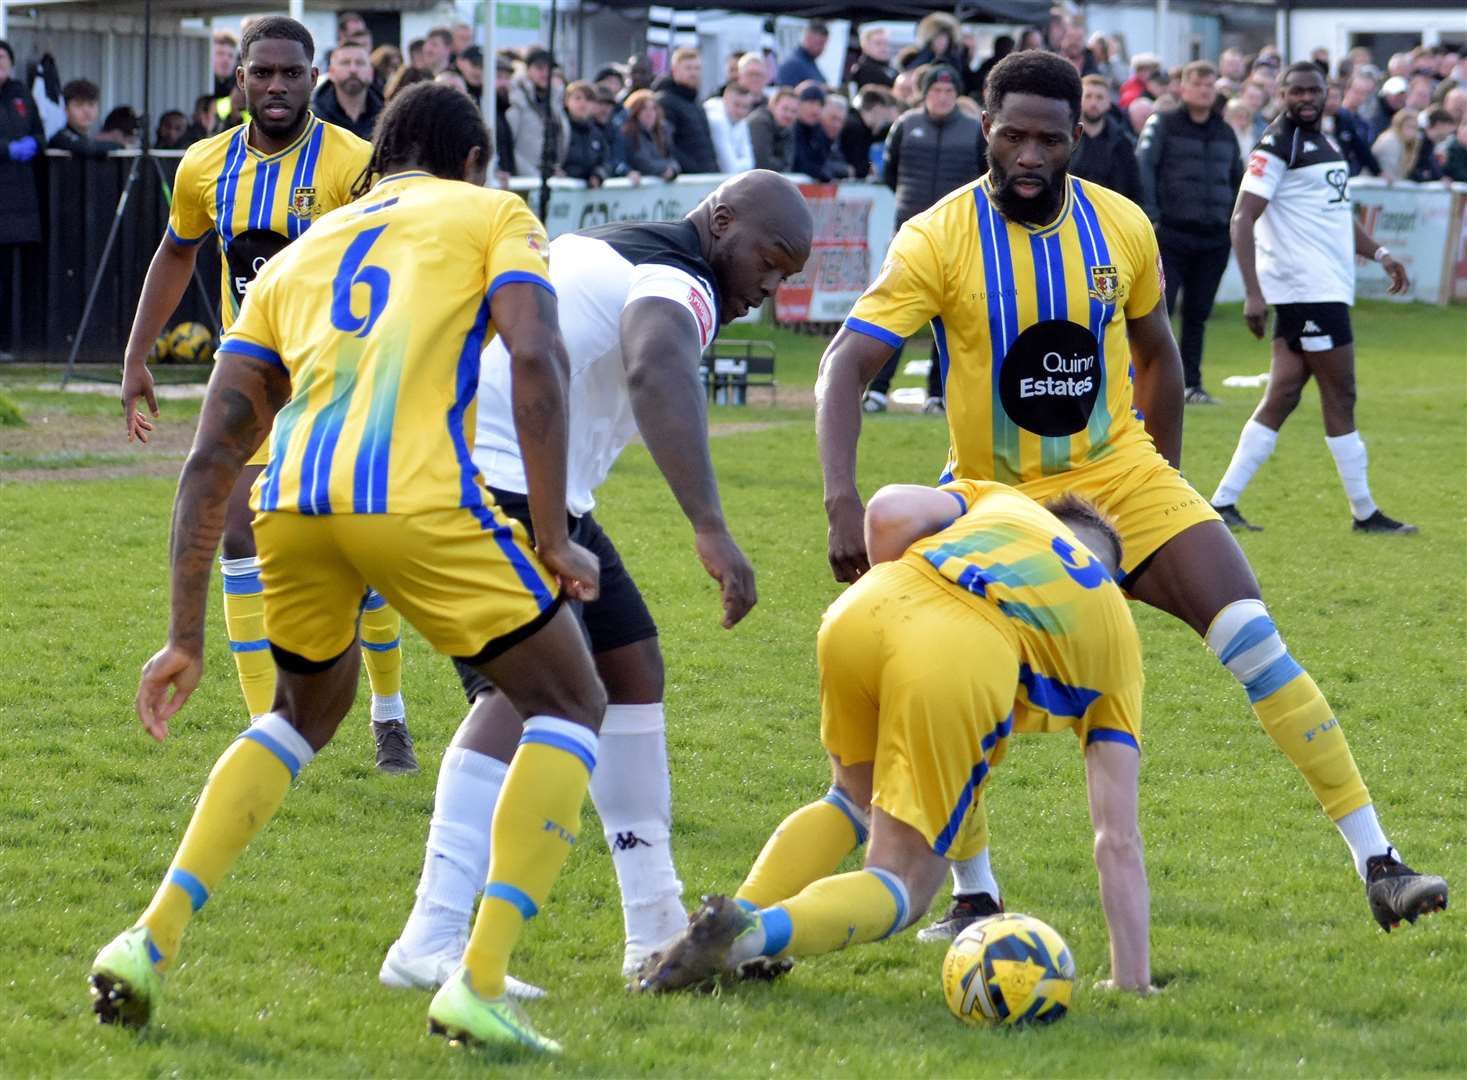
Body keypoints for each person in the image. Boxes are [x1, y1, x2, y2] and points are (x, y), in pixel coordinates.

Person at [816, 49, 1447, 944]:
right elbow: (845, 364)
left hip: (1124, 480)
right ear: (985, 134)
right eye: (1012, 135)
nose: (1030, 153)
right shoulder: (934, 237)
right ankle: (975, 891)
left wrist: (1169, 480)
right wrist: (842, 500)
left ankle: (1378, 862)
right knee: (951, 682)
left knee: (1255, 641)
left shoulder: (1119, 226)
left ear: (1079, 135)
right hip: (997, 500)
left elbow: (1159, 356)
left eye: (1049, 136)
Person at [88, 81, 606, 1055]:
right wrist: (551, 531)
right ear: (473, 161)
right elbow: (536, 355)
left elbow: (212, 454)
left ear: (377, 157)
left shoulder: (300, 252)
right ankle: (477, 981)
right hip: (415, 498)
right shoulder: (494, 211)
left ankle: (146, 938)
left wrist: (183, 635)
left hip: (289, 504)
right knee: (572, 703)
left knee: (297, 716)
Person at [382, 169, 813, 992]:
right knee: (523, 693)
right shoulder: (676, 278)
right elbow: (656, 370)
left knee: (629, 666)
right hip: (486, 486)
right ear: (720, 222)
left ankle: (654, 927)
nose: (772, 282)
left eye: (789, 274)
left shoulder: (612, 247)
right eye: (771, 258)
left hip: (529, 489)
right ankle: (429, 935)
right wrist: (712, 528)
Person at [635, 485, 1152, 995]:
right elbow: (1118, 839)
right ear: (1111, 576)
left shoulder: (1008, 505)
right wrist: (1132, 981)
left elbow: (886, 512)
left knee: (850, 801)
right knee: (904, 881)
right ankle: (747, 942)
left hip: (868, 606)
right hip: (960, 653)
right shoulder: (1117, 631)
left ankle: (734, 914)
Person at [117, 16, 418, 773]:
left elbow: (403, 259)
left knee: (360, 548)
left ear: (314, 76)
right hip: (250, 372)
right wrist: (136, 354)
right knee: (237, 532)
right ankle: (267, 727)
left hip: (340, 375)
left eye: (291, 73)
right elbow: (175, 252)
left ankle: (389, 714)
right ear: (240, 78)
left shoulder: (355, 164)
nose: (276, 86)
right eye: (262, 73)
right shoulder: (203, 165)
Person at [1212, 62, 1417, 537]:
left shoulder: (1325, 142)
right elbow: (1242, 219)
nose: (1306, 98)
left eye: (1314, 91)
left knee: (1282, 395)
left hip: (1324, 287)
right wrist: (1254, 294)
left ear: (1329, 94)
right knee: (1340, 393)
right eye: (1296, 90)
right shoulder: (1276, 144)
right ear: (1280, 94)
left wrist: (1381, 253)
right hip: (1308, 291)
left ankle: (1222, 503)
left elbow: (1335, 215)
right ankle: (1365, 512)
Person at [864, 64, 986, 416]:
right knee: (895, 313)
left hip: (957, 236)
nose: (942, 97)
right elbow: (890, 174)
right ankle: (878, 390)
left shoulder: (973, 131)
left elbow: (984, 177)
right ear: (925, 93)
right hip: (909, 234)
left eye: (949, 92)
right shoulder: (905, 126)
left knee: (950, 317)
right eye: (936, 91)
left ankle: (938, 393)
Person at [1136, 60, 1242, 406]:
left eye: (1210, 86)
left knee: (1198, 313)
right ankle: (1146, 381)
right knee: (1159, 311)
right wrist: (1151, 214)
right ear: (1182, 87)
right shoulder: (1164, 124)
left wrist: (1233, 222)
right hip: (1172, 234)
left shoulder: (1224, 132)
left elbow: (1237, 178)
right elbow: (1145, 167)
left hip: (1213, 238)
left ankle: (1191, 384)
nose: (1204, 91)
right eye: (1198, 84)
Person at [0, 38, 43, 362]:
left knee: (14, 273)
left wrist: (32, 144)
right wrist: (6, 150)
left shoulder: (21, 94)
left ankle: (13, 343)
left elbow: (41, 133)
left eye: (4, 56)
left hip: (20, 199)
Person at [1070, 73, 1142, 202]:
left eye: (1099, 97)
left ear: (1108, 102)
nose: (1093, 103)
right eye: (1088, 96)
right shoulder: (1067, 139)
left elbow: (1133, 185)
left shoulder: (1122, 143)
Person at [655, 47, 719, 174]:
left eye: (697, 68)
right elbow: (667, 144)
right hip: (686, 180)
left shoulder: (696, 104)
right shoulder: (665, 102)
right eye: (688, 68)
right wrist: (694, 170)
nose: (693, 73)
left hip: (705, 176)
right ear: (674, 71)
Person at [507, 47, 566, 177]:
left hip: (549, 179)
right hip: (523, 182)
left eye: (549, 69)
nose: (545, 73)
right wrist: (533, 176)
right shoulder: (516, 101)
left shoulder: (555, 103)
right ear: (528, 69)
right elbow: (508, 145)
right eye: (539, 68)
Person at [312, 38, 382, 139]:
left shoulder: (386, 118)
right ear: (331, 72)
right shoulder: (313, 120)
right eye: (345, 63)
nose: (353, 69)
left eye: (360, 63)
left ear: (371, 72)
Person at [47, 80, 124, 158]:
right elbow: (85, 148)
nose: (86, 111)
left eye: (91, 104)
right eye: (79, 105)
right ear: (66, 109)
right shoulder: (60, 138)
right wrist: (121, 145)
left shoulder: (89, 140)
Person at [562, 80, 613, 187]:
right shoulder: (558, 129)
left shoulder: (597, 134)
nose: (583, 103)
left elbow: (606, 162)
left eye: (589, 99)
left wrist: (598, 175)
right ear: (566, 101)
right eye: (577, 98)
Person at [622, 89, 679, 180]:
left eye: (653, 109)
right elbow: (642, 163)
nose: (649, 113)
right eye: (644, 109)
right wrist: (664, 169)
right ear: (635, 112)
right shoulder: (629, 134)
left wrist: (673, 170)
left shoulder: (662, 134)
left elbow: (672, 159)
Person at [1332, 74, 1380, 176]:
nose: (1359, 96)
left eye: (1364, 93)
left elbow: (1364, 151)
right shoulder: (1334, 117)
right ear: (1346, 90)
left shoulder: (1365, 125)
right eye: (1356, 91)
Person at [704, 80, 755, 174]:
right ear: (725, 99)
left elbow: (751, 164)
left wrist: (740, 164)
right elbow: (729, 168)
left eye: (745, 107)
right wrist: (742, 163)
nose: (740, 111)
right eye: (736, 105)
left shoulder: (741, 121)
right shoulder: (716, 120)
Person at [748, 87, 797, 172]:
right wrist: (781, 164)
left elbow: (788, 163)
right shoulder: (759, 122)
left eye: (793, 111)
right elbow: (762, 163)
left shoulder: (787, 128)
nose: (789, 115)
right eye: (785, 109)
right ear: (773, 105)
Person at [791, 81, 833, 181]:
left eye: (820, 105)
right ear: (799, 104)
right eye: (811, 103)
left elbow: (826, 162)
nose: (815, 110)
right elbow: (799, 164)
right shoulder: (790, 130)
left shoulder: (820, 131)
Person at [1370, 106, 1419, 182]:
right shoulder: (1390, 141)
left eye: (1414, 127)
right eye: (1409, 126)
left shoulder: (1405, 144)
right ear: (1399, 125)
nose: (1412, 132)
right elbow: (1389, 172)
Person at [775, 19, 828, 88]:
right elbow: (786, 95)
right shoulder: (792, 65)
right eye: (820, 43)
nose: (822, 48)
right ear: (808, 38)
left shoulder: (809, 62)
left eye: (824, 44)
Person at [847, 26, 897, 92]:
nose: (883, 48)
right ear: (865, 45)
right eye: (878, 43)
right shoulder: (863, 70)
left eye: (886, 44)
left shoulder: (891, 68)